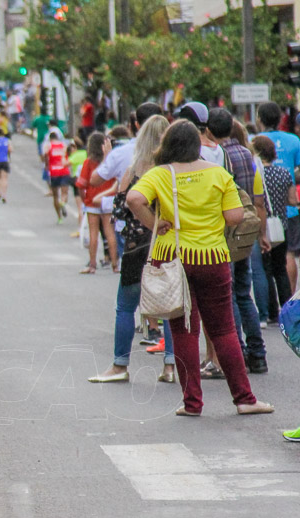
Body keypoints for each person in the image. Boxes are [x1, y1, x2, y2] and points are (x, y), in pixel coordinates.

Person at [125, 120, 274, 417]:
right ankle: (244, 398)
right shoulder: (217, 173)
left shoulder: (159, 174)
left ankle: (192, 403)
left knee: (183, 331)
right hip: (212, 258)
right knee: (224, 330)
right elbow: (234, 217)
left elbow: (133, 199)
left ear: (168, 145)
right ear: (196, 145)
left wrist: (155, 222)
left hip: (172, 258)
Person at [89, 114, 176, 384]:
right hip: (170, 247)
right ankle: (171, 366)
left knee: (126, 307)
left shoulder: (134, 170)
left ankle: (120, 365)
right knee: (172, 307)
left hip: (137, 248)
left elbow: (121, 210)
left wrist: (144, 225)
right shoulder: (174, 171)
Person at [208, 108, 269, 375]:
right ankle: (258, 354)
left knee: (228, 294)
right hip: (247, 230)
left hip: (225, 230)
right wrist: (262, 233)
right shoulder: (248, 155)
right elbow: (258, 199)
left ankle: (237, 352)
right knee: (245, 294)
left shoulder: (217, 156)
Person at [251, 135, 295, 324]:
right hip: (281, 226)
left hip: (263, 226)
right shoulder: (284, 173)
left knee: (265, 270)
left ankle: (270, 311)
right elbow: (293, 200)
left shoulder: (257, 173)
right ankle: (286, 309)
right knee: (280, 270)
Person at [76, 132, 117, 274]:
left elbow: (81, 184)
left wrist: (84, 200)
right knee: (109, 232)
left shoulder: (88, 163)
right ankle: (115, 265)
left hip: (92, 201)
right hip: (108, 199)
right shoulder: (110, 161)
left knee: (94, 234)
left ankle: (92, 264)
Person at [46, 132, 72, 223]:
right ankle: (63, 202)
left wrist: (47, 166)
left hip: (53, 172)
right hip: (64, 171)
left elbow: (46, 156)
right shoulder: (63, 145)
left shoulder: (49, 145)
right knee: (64, 193)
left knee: (55, 195)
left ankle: (59, 217)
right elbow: (68, 156)